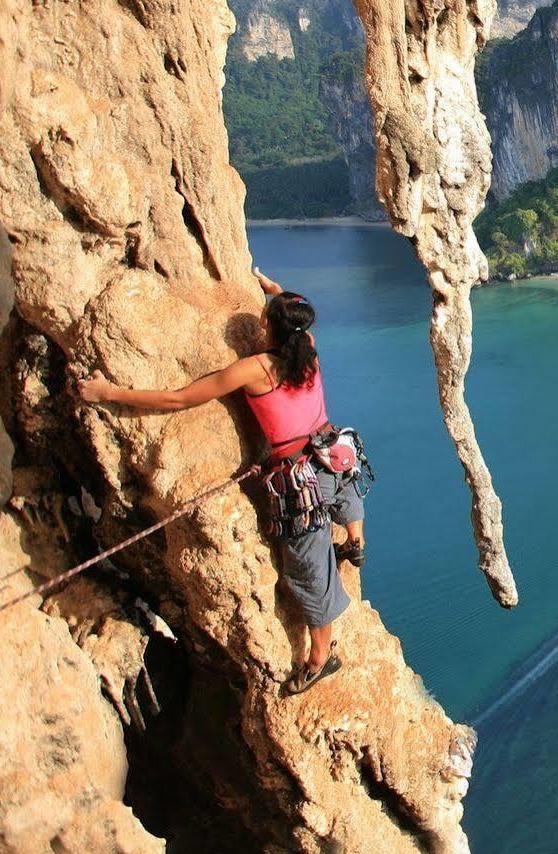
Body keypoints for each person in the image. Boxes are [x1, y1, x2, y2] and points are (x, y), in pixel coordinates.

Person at [77, 268, 364, 695]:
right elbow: (297, 314)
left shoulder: (255, 371)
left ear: (268, 326)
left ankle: (321, 656)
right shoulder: (308, 347)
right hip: (331, 454)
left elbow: (180, 398)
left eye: (266, 317)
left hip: (301, 479)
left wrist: (108, 394)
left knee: (307, 569)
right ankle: (355, 539)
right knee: (345, 489)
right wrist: (276, 291)